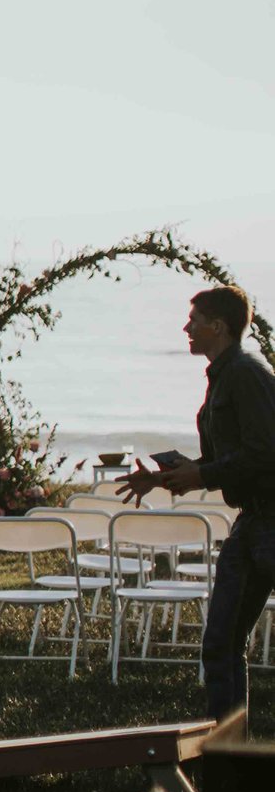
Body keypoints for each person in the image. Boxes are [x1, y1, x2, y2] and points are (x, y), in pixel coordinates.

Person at [114, 286, 275, 723]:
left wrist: (201, 475)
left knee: (224, 640)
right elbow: (231, 456)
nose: (187, 328)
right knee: (221, 641)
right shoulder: (226, 373)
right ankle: (228, 755)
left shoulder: (245, 372)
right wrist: (166, 478)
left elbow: (264, 452)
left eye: (195, 320)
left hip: (269, 522)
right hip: (253, 520)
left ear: (218, 326)